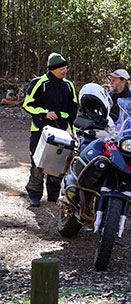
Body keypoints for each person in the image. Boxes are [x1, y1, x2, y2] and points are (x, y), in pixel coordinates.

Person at [23, 53, 78, 207]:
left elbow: (73, 110)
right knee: (37, 160)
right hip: (40, 130)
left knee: (58, 162)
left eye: (66, 68)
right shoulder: (38, 83)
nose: (65, 71)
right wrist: (44, 113)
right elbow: (27, 104)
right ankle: (34, 193)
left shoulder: (69, 85)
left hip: (62, 131)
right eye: (62, 68)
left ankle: (53, 194)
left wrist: (73, 130)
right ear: (53, 69)